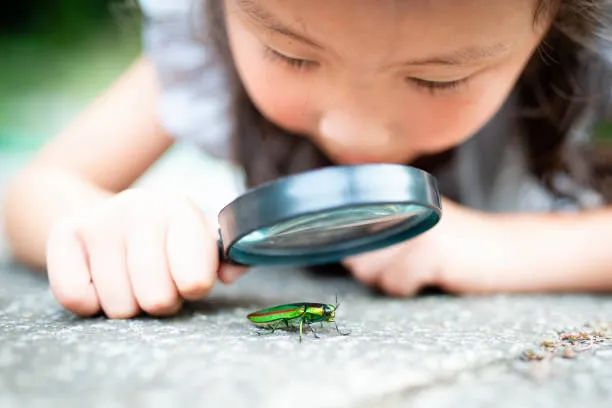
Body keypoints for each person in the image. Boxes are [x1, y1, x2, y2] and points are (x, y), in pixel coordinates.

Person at [3, 0, 612, 319]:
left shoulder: (591, 59)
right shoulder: (203, 50)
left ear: (556, 25)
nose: (356, 129)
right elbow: (38, 187)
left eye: (435, 79)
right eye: (291, 56)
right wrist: (111, 230)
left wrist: (504, 249)